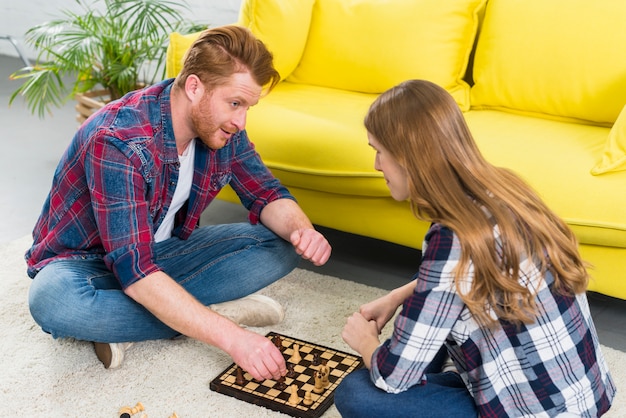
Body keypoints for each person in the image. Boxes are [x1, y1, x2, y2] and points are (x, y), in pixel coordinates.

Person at [25, 25, 331, 378]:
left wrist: (303, 231)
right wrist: (233, 338)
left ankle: (139, 321)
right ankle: (216, 314)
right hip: (87, 267)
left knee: (284, 244)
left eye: (247, 106)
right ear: (195, 86)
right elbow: (135, 270)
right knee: (53, 301)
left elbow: (266, 193)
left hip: (161, 256)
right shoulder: (118, 140)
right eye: (234, 103)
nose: (240, 120)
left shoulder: (222, 129)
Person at [334, 79, 615, 417]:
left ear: (408, 156)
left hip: (532, 411)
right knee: (426, 292)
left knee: (357, 394)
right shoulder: (505, 189)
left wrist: (366, 342)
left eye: (379, 151)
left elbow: (392, 378)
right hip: (583, 400)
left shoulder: (452, 238)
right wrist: (397, 296)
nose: (377, 165)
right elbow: (455, 277)